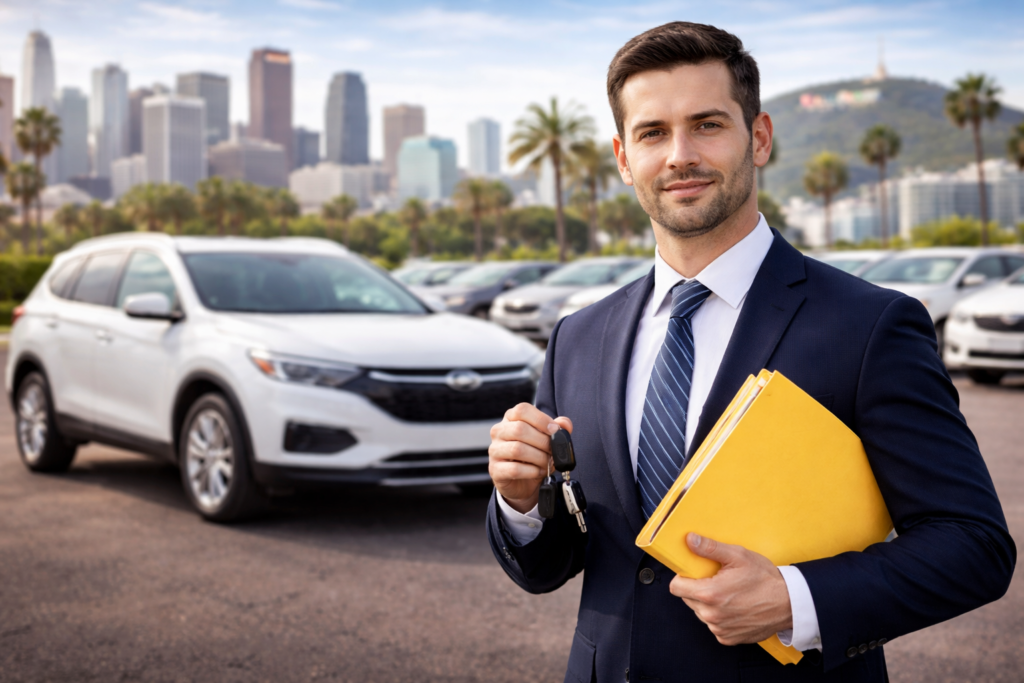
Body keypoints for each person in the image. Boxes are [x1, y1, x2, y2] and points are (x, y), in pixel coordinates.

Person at [485, 21, 1015, 683]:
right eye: (653, 133)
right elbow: (553, 564)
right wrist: (521, 503)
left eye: (707, 124)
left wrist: (795, 599)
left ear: (758, 138)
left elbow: (974, 546)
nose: (679, 154)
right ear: (623, 158)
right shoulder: (577, 337)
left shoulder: (872, 324)